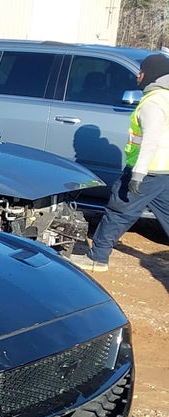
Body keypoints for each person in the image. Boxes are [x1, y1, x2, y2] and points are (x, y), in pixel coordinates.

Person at [71, 53, 169, 272]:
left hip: (147, 170)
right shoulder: (166, 98)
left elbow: (150, 140)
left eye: (142, 70)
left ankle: (97, 258)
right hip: (165, 170)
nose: (138, 75)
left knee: (119, 211)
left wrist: (138, 174)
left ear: (152, 74)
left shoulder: (152, 103)